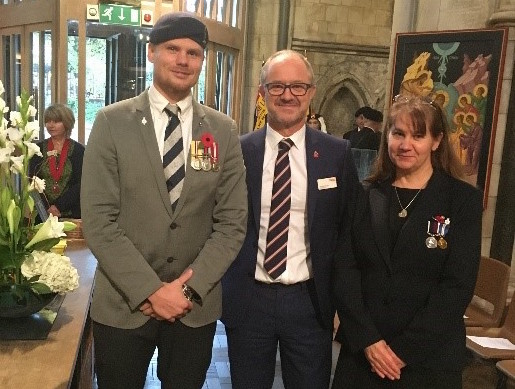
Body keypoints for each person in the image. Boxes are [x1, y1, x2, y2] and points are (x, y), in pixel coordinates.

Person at [81, 12, 247, 389]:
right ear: (152, 51)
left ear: (202, 61)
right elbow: (99, 221)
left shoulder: (221, 130)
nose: (183, 60)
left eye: (194, 52)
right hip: (125, 303)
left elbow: (232, 222)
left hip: (194, 307)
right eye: (173, 49)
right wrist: (151, 291)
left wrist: (185, 290)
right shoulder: (111, 122)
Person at [221, 50, 361, 389]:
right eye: (277, 86)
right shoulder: (238, 151)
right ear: (262, 92)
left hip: (310, 303)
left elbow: (349, 231)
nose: (288, 95)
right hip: (249, 299)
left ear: (311, 93)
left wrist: (345, 303)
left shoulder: (336, 154)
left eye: (298, 86)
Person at [332, 95, 482, 388]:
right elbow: (345, 271)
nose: (405, 144)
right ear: (386, 136)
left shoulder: (462, 200)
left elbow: (457, 285)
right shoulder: (365, 194)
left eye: (417, 135)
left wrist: (402, 351)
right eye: (398, 133)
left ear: (436, 141)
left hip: (428, 359)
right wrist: (370, 341)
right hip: (364, 354)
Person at [29, 103, 84, 219]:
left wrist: (58, 206)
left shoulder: (79, 151)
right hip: (43, 213)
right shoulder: (37, 149)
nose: (51, 125)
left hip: (71, 213)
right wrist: (46, 208)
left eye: (56, 121)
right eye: (48, 121)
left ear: (67, 123)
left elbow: (80, 184)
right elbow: (32, 180)